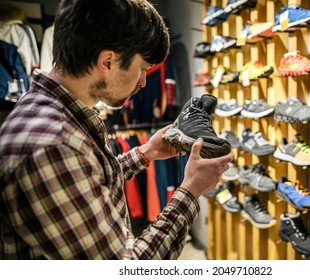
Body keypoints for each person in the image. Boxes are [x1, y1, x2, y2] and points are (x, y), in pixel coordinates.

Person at [0, 0, 233, 260]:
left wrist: (146, 152)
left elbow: (87, 179)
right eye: (142, 69)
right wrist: (191, 189)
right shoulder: (50, 145)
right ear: (108, 61)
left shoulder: (55, 114)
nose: (144, 82)